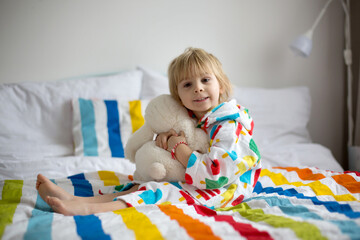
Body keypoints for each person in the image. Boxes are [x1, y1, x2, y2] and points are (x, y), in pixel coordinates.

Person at [36, 47, 261, 216]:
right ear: (178, 96)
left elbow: (215, 174)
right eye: (187, 85)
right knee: (142, 184)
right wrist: (165, 138)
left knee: (160, 191)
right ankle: (74, 198)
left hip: (225, 189)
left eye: (205, 80)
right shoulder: (194, 120)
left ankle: (85, 210)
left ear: (220, 85)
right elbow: (189, 144)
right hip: (202, 179)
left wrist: (178, 146)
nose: (198, 88)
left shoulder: (229, 126)